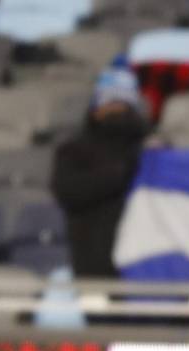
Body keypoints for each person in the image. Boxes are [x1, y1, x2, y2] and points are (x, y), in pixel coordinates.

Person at [50, 59, 149, 279]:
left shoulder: (150, 150)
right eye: (108, 102)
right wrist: (119, 173)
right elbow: (68, 192)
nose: (114, 109)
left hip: (143, 264)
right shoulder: (73, 151)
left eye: (121, 103)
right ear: (95, 108)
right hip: (92, 263)